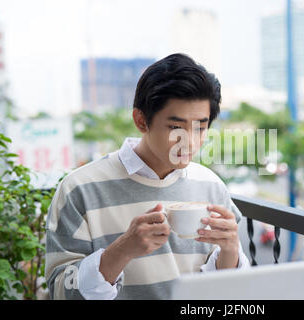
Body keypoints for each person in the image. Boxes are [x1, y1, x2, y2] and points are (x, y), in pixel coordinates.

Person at [45, 53, 250, 300]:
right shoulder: (79, 189)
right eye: (176, 127)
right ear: (141, 121)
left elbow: (225, 294)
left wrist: (230, 251)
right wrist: (121, 251)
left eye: (201, 127)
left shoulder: (212, 186)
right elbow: (60, 291)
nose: (191, 141)